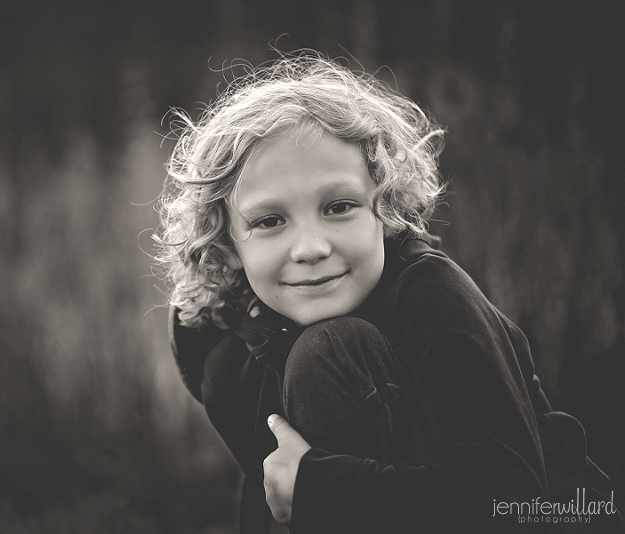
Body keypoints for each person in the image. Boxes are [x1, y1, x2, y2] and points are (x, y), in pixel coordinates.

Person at [153, 52, 620, 533]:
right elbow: (271, 486)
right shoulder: (220, 337)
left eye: (339, 207)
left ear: (387, 209)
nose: (311, 248)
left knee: (327, 353)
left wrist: (321, 489)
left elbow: (512, 497)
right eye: (270, 221)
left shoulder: (432, 294)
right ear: (227, 247)